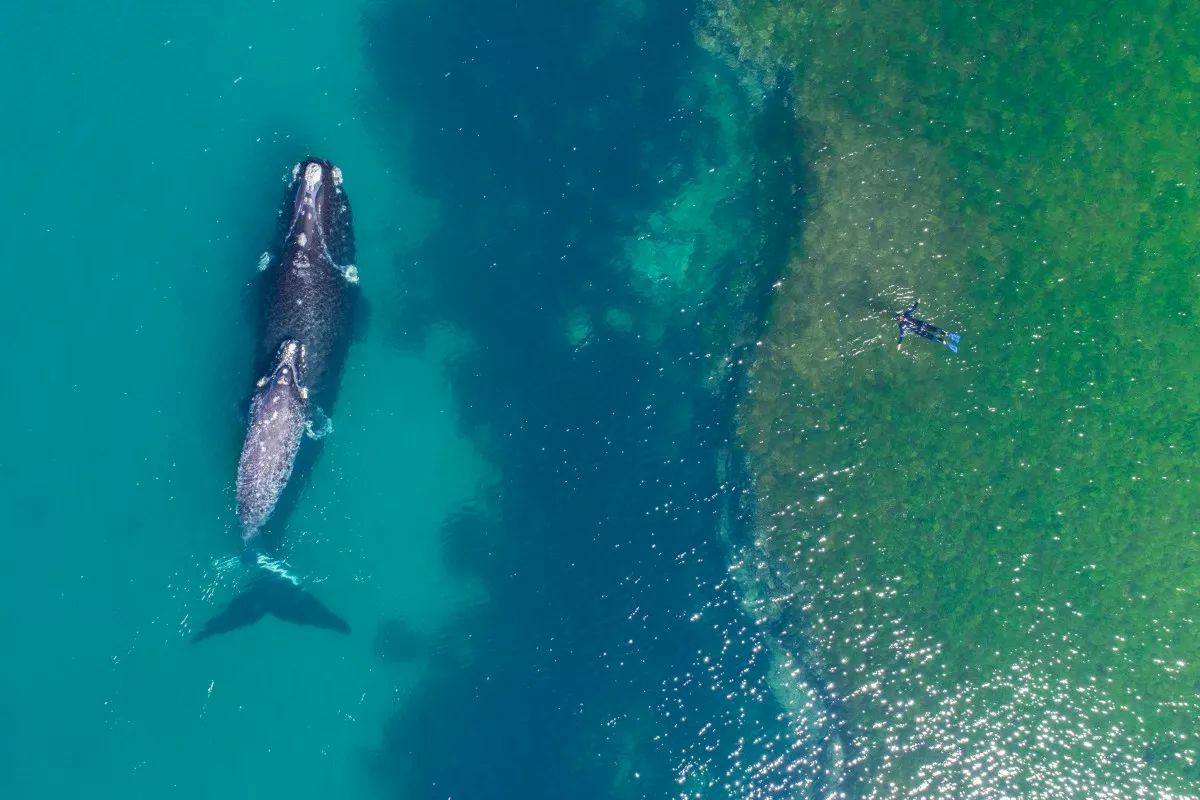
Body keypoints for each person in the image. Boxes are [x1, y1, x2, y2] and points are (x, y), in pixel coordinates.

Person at [894, 301, 959, 352]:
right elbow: (913, 309)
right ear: (901, 315)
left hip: (919, 331)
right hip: (923, 325)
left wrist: (899, 343)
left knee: (933, 338)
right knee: (936, 330)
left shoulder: (901, 325)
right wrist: (917, 302)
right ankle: (948, 334)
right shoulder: (906, 314)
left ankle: (946, 343)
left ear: (898, 320)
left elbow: (902, 335)